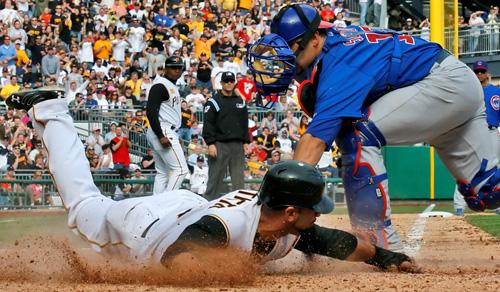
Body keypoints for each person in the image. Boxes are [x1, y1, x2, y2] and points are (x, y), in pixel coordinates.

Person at [6, 87, 419, 272]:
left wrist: (386, 258)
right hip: (143, 227)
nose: (319, 215)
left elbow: (331, 241)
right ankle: (52, 111)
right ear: (291, 211)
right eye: (314, 208)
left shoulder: (285, 222)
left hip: (184, 207)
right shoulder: (225, 228)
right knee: (84, 206)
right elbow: (177, 260)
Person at [249, 4, 500, 251]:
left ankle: (378, 246)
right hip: (450, 86)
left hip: (443, 85)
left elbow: (314, 141)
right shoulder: (330, 46)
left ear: (315, 37)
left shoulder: (339, 62)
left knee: (356, 134)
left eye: (291, 47)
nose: (286, 58)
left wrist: (278, 200)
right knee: (488, 192)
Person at [454, 60, 500, 216]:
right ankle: (459, 205)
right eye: (477, 71)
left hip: (492, 132)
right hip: (473, 132)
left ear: (487, 73)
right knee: (466, 169)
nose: (479, 74)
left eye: (482, 71)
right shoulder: (468, 91)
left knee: (495, 170)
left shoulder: (496, 92)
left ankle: (497, 204)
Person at [202, 71, 250, 200]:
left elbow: (244, 123)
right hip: (220, 144)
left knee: (239, 181)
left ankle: (240, 207)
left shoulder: (240, 101)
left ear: (234, 83)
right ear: (221, 83)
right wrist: (211, 143)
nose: (229, 83)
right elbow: (208, 124)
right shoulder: (213, 102)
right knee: (215, 179)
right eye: (226, 81)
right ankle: (207, 207)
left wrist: (246, 142)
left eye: (231, 81)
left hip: (237, 145)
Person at [146, 56, 189, 193]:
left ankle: (156, 205)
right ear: (165, 68)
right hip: (162, 129)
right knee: (181, 170)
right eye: (173, 67)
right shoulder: (160, 85)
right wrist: (160, 135)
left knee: (162, 173)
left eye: (179, 68)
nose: (176, 70)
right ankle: (167, 202)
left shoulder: (169, 85)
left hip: (166, 130)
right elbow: (151, 111)